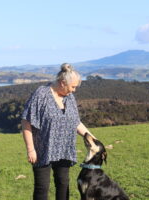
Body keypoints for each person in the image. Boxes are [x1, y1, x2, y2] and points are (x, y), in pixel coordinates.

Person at [21, 63, 96, 200]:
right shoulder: (41, 94)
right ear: (62, 83)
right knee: (42, 187)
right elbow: (26, 122)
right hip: (42, 150)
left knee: (63, 184)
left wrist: (93, 139)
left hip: (64, 150)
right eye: (72, 87)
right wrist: (31, 149)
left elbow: (76, 122)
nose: (74, 90)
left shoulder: (69, 97)